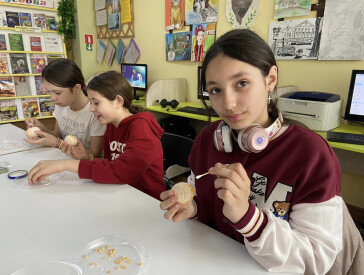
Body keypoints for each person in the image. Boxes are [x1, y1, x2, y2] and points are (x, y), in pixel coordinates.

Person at [159, 29, 362, 274]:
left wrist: (248, 217)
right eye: (215, 90)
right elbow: (201, 197)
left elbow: (315, 260)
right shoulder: (207, 140)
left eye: (242, 83)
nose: (228, 104)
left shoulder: (311, 155)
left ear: (270, 79)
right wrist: (193, 208)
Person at [28, 71, 165, 200]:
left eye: (96, 103)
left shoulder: (141, 127)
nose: (91, 108)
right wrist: (86, 157)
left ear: (118, 101)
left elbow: (123, 171)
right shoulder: (111, 125)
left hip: (146, 200)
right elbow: (111, 165)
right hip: (121, 192)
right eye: (91, 102)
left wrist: (65, 164)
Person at [24, 59, 106, 159]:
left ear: (77, 88)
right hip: (65, 159)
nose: (52, 98)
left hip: (86, 166)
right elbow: (57, 135)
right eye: (49, 92)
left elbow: (95, 153)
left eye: (57, 93)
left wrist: (58, 143)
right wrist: (41, 129)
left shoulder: (95, 112)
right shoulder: (61, 105)